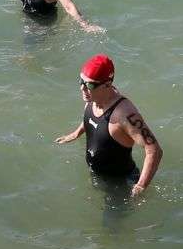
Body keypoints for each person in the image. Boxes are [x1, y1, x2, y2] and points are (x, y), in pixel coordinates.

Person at [55, 54, 161, 197]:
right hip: (98, 174)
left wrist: (140, 186)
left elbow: (154, 150)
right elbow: (91, 119)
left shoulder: (124, 114)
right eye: (81, 81)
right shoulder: (93, 98)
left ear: (107, 84)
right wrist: (76, 133)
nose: (82, 88)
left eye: (89, 85)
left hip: (121, 183)